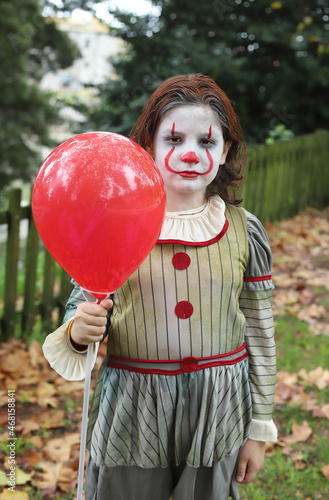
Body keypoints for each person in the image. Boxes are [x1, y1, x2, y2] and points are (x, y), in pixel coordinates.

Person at [43, 73, 277, 500]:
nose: (190, 154)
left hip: (218, 409)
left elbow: (260, 333)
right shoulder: (115, 222)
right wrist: (80, 331)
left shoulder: (245, 231)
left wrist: (258, 429)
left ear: (225, 151)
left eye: (206, 143)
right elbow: (81, 309)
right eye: (174, 140)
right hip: (134, 407)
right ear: (149, 146)